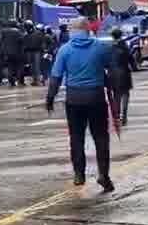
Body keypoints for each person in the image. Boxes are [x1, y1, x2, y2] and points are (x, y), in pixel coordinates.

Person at [47, 18, 115, 192]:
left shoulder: (65, 49)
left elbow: (56, 76)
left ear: (73, 31)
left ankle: (79, 174)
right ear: (87, 30)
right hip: (96, 98)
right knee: (101, 138)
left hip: (74, 99)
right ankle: (103, 175)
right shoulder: (100, 47)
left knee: (76, 137)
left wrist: (50, 97)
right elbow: (112, 66)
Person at [109, 29, 136, 126]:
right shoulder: (124, 46)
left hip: (112, 73)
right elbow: (131, 59)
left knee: (116, 96)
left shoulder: (109, 47)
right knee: (125, 95)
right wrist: (134, 67)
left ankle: (117, 116)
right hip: (124, 72)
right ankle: (124, 116)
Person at [0, 21, 26, 87]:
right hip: (17, 53)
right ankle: (20, 81)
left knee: (10, 67)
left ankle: (11, 81)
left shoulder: (3, 31)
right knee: (19, 67)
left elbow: (1, 41)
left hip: (7, 53)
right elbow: (22, 40)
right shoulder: (18, 31)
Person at [24, 21, 47, 86]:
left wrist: (44, 50)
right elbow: (24, 43)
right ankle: (35, 80)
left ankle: (38, 80)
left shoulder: (38, 33)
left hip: (37, 51)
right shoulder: (26, 34)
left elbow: (42, 42)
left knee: (36, 67)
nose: (27, 28)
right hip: (30, 51)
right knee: (32, 67)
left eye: (28, 26)